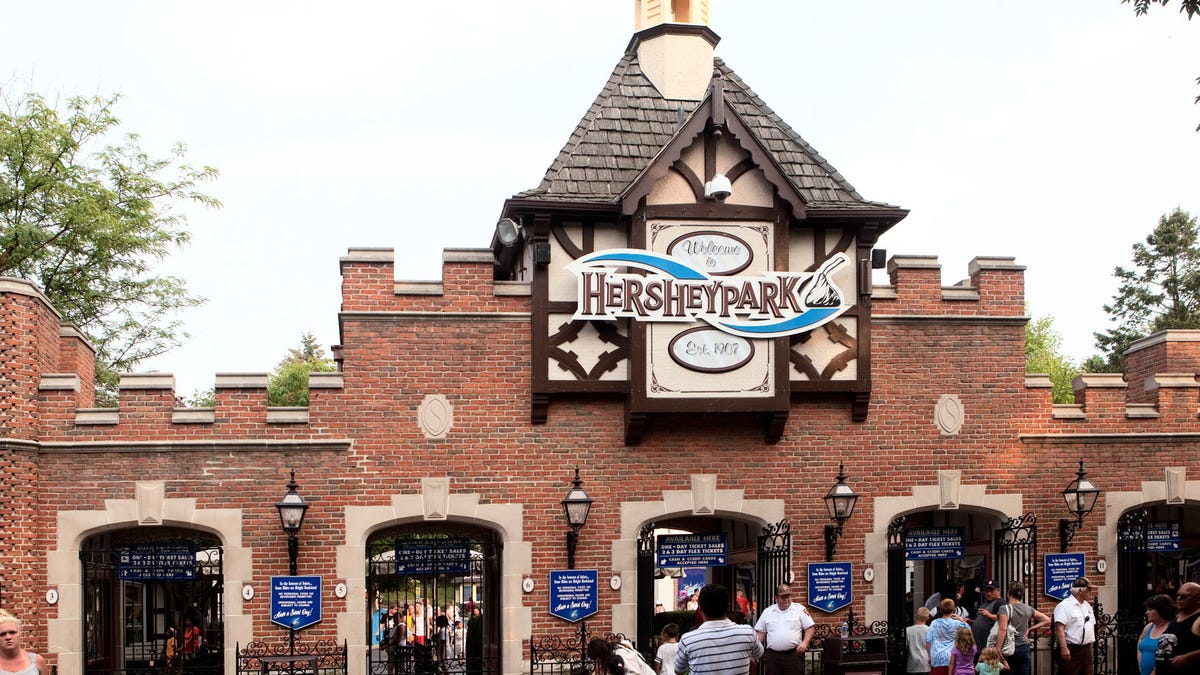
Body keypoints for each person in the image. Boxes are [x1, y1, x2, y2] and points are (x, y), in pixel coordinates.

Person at [675, 584, 763, 675]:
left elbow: (679, 670)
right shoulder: (748, 633)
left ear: (700, 609)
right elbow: (758, 654)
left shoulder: (688, 639)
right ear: (728, 607)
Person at [753, 583, 815, 675]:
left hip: (793, 655)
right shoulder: (768, 612)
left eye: (788, 597)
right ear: (776, 598)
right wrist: (756, 650)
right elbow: (761, 633)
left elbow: (810, 627)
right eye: (783, 597)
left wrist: (805, 643)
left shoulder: (799, 609)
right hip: (772, 657)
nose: (786, 600)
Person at [994, 582, 1050, 675]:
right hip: (1024, 647)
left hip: (1009, 648)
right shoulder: (1028, 609)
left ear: (1009, 593)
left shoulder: (1004, 609)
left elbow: (1003, 629)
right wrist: (1030, 629)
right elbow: (1047, 619)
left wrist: (997, 649)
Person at [1053, 577, 1096, 675]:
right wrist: (1064, 648)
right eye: (1089, 589)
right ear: (1081, 590)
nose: (1091, 592)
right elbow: (1059, 628)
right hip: (1072, 649)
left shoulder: (1087, 606)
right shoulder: (1065, 606)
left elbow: (1091, 626)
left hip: (1086, 650)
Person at [1160, 581, 1200, 674]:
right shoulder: (1178, 616)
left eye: (1184, 596)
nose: (1179, 599)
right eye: (1177, 595)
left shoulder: (1198, 619)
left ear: (1198, 598)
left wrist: (1187, 657)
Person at [927, 599, 969, 675]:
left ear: (940, 610)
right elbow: (968, 630)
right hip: (953, 657)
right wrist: (960, 619)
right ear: (953, 609)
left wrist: (929, 656)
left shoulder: (934, 623)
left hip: (937, 657)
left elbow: (928, 641)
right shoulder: (957, 623)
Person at [1138, 593, 1174, 675]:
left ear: (1161, 610)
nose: (1147, 613)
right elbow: (1140, 643)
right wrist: (1140, 665)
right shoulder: (1148, 627)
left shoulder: (1171, 628)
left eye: (1150, 610)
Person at [970, 581, 1002, 664]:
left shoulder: (999, 603)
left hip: (988, 647)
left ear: (998, 590)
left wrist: (989, 615)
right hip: (978, 647)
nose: (988, 593)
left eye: (991, 591)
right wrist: (973, 622)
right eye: (987, 591)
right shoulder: (985, 603)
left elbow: (1002, 619)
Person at [588, 637, 655, 675]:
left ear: (602, 654)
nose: (599, 660)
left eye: (599, 658)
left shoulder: (622, 653)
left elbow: (636, 673)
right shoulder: (613, 654)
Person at [905, 607, 931, 675]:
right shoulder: (930, 630)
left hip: (912, 663)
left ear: (915, 616)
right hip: (926, 664)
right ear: (927, 618)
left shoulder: (908, 630)